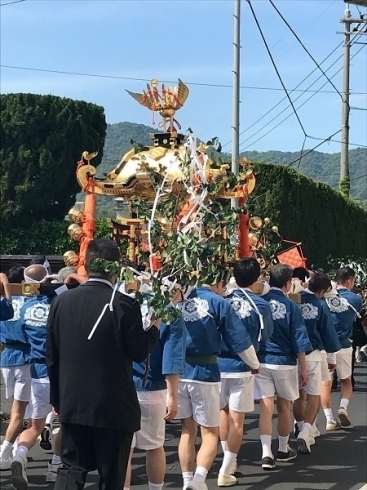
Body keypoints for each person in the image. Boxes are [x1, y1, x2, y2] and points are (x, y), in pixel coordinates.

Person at [46, 238, 160, 490]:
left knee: (71, 468)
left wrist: (57, 398)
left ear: (85, 263)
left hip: (73, 401)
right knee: (111, 476)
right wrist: (154, 328)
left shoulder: (61, 302)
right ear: (116, 268)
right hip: (113, 405)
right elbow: (138, 352)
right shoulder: (124, 305)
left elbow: (51, 356)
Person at [175, 264, 259, 490]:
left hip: (178, 372)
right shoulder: (218, 302)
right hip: (205, 372)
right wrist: (254, 364)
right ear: (219, 283)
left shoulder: (176, 298)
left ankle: (185, 480)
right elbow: (239, 339)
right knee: (209, 432)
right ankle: (199, 479)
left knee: (186, 430)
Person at [217, 258, 274, 487]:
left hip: (219, 363)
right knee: (238, 421)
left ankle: (229, 461)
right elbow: (266, 335)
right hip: (244, 365)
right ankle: (226, 467)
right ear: (256, 277)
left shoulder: (222, 301)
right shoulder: (261, 305)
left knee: (222, 412)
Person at [255, 263, 311, 470]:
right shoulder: (291, 306)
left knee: (266, 407)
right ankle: (283, 448)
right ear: (288, 283)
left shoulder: (259, 302)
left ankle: (265, 453)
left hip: (262, 360)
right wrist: (304, 368)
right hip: (285, 362)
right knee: (284, 406)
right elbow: (299, 339)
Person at [124, 311, 185, 490]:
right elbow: (171, 357)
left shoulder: (122, 304)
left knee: (124, 449)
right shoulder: (169, 313)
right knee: (155, 446)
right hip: (152, 386)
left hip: (122, 384)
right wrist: (173, 396)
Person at [10, 264, 54, 490]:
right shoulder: (58, 303)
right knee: (63, 420)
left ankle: (20, 454)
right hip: (60, 371)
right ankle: (56, 464)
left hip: (37, 371)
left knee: (34, 426)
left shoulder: (25, 307)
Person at [294, 273, 341, 453]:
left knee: (299, 395)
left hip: (294, 355)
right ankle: (306, 431)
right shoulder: (320, 305)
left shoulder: (294, 300)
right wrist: (331, 358)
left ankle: (301, 426)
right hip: (313, 353)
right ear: (322, 291)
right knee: (314, 394)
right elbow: (328, 332)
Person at [322, 267, 363, 428]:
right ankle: (343, 407)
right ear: (349, 280)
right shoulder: (355, 299)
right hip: (344, 343)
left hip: (325, 344)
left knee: (326, 382)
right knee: (346, 380)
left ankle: (329, 419)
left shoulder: (323, 296)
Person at [0, 267, 29, 470]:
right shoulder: (30, 302)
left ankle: (18, 441)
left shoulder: (5, 302)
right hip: (26, 357)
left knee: (15, 407)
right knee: (20, 409)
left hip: (6, 357)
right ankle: (7, 450)